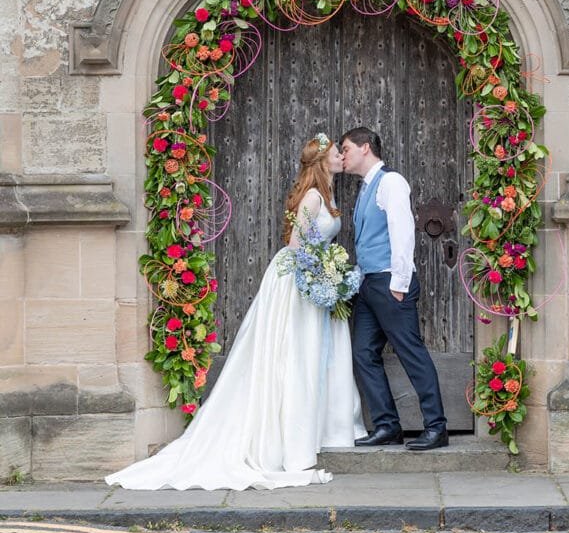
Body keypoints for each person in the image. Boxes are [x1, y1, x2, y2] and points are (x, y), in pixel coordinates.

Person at [106, 133, 365, 491]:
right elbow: (296, 245)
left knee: (312, 355)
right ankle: (287, 439)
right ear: (322, 160)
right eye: (337, 152)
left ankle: (319, 428)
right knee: (293, 355)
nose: (341, 156)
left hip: (313, 280)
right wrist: (325, 270)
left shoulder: (328, 195)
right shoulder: (312, 197)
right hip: (296, 280)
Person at [341, 126, 448, 451]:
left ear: (364, 148)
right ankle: (387, 425)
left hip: (390, 283)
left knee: (411, 353)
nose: (342, 156)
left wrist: (399, 284)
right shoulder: (366, 188)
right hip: (370, 285)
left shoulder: (391, 182)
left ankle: (436, 427)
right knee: (363, 354)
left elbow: (402, 233)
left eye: (345, 148)